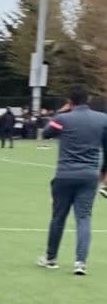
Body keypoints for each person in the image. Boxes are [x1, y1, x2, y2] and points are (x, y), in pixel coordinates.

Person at [37, 84, 107, 275]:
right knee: (84, 218)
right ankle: (80, 262)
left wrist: (61, 111)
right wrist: (104, 173)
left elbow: (46, 133)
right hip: (89, 175)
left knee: (58, 217)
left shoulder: (63, 118)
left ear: (70, 101)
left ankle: (51, 258)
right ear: (88, 100)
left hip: (65, 174)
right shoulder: (102, 119)